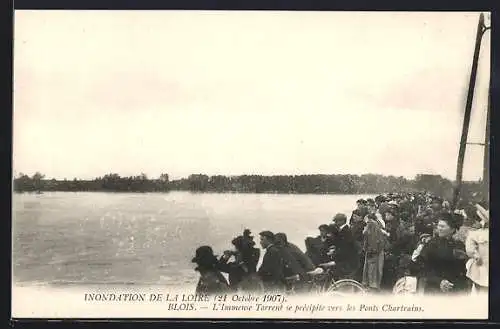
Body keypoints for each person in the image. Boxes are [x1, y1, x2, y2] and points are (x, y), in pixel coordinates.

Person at [417, 212, 469, 295]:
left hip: (454, 289)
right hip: (434, 288)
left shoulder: (459, 245)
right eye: (438, 225)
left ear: (452, 229)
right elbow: (422, 266)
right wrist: (439, 281)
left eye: (443, 226)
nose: (439, 228)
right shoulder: (431, 244)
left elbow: (462, 270)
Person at [465, 204, 489, 294]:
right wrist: (475, 255)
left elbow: (470, 250)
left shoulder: (476, 234)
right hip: (482, 267)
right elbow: (470, 250)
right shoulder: (476, 234)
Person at [362, 213, 387, 292]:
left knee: (372, 268)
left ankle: (372, 286)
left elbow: (371, 238)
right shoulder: (376, 225)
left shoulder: (372, 225)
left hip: (373, 251)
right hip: (376, 251)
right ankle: (374, 285)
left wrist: (369, 250)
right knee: (376, 269)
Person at [331, 213, 359, 280]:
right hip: (348, 261)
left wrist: (334, 253)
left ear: (342, 221)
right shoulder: (344, 230)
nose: (335, 223)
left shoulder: (345, 231)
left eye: (336, 221)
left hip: (347, 263)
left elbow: (345, 249)